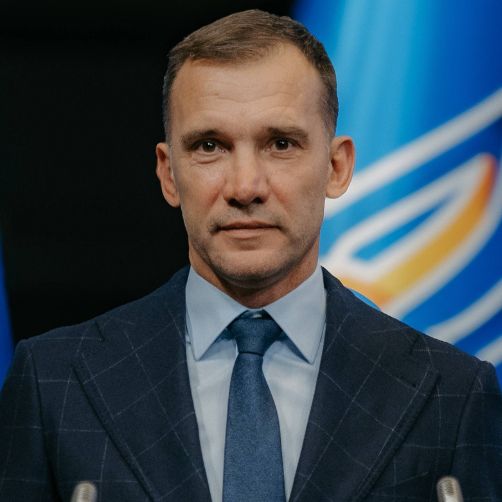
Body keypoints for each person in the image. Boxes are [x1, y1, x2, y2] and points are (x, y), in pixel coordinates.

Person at [1, 9, 501, 502]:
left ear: (336, 167)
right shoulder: (53, 383)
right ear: (169, 173)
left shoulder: (453, 394)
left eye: (280, 144)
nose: (245, 187)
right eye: (210, 146)